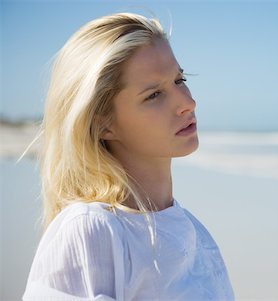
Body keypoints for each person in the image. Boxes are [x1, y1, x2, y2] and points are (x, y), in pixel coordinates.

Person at [22, 12, 234, 301]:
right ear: (102, 122)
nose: (188, 102)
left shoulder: (196, 234)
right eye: (154, 95)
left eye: (179, 79)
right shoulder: (90, 230)